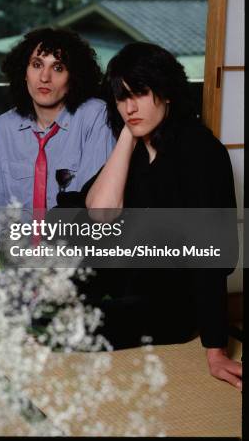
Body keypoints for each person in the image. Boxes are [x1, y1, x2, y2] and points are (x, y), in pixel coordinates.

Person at [84, 42, 242, 390]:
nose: (130, 107)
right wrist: (127, 134)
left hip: (173, 302)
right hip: (130, 280)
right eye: (121, 98)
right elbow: (100, 213)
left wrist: (216, 351)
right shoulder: (138, 144)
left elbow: (211, 256)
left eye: (140, 93)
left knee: (73, 327)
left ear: (167, 92)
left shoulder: (200, 152)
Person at [0, 27, 115, 248]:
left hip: (74, 260)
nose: (44, 77)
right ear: (24, 71)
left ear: (74, 76)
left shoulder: (95, 116)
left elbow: (93, 210)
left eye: (58, 67)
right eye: (37, 65)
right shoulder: (5, 128)